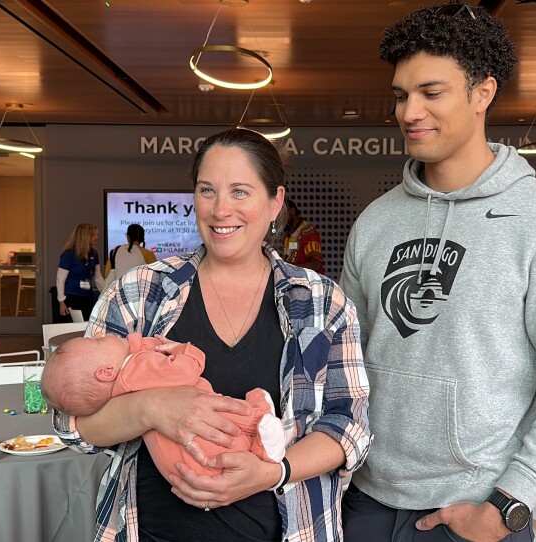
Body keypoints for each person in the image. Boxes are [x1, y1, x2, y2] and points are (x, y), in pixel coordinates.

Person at [340, 3, 536, 542]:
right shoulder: (375, 222)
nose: (409, 111)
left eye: (431, 93)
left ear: (482, 93)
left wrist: (508, 506)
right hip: (363, 501)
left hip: (474, 513)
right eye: (400, 94)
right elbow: (345, 364)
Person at [52, 127, 371, 542]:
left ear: (275, 202)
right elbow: (71, 424)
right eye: (207, 190)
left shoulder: (321, 302)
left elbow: (350, 427)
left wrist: (273, 472)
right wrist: (150, 409)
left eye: (240, 191)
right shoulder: (140, 290)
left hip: (292, 529)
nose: (221, 210)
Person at [41, 333, 286, 480]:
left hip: (187, 470)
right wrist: (184, 351)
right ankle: (260, 426)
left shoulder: (118, 386)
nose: (99, 334)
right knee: (228, 416)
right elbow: (186, 370)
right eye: (97, 342)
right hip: (202, 456)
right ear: (106, 372)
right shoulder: (136, 369)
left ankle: (260, 442)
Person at [56, 223, 103, 321]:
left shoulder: (94, 254)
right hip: (72, 297)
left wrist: (106, 293)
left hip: (87, 296)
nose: (96, 237)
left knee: (87, 326)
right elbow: (60, 279)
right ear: (85, 237)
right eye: (94, 235)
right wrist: (61, 301)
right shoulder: (69, 254)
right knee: (75, 327)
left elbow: (98, 277)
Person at [102, 223, 157, 292]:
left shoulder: (115, 251)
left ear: (128, 236)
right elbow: (156, 278)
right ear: (142, 238)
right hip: (140, 294)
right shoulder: (148, 254)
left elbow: (107, 274)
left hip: (119, 294)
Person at [282, 198, 324, 274]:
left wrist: (292, 269)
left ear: (292, 211)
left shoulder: (308, 232)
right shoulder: (289, 233)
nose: (280, 220)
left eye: (283, 215)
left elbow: (316, 264)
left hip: (309, 283)